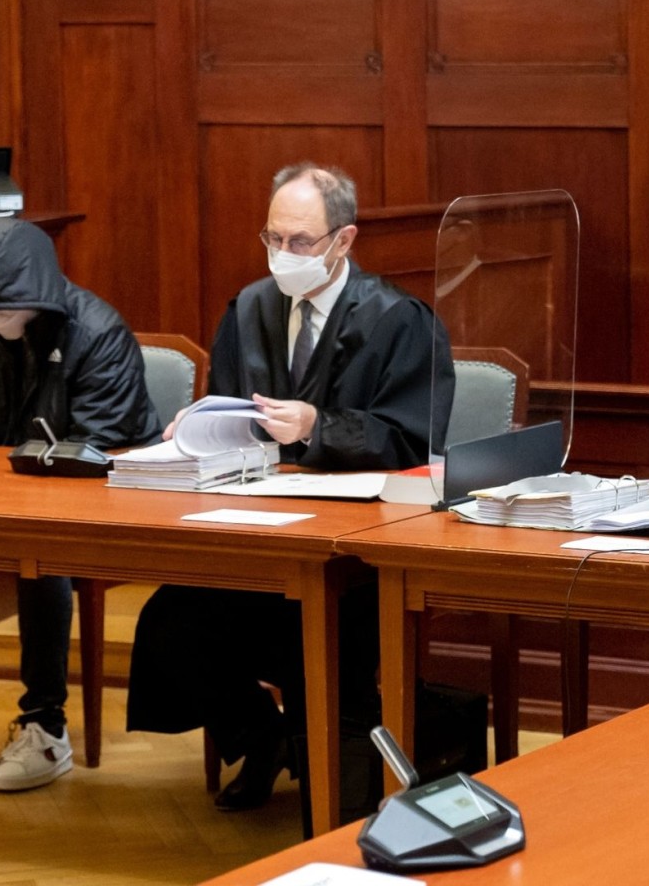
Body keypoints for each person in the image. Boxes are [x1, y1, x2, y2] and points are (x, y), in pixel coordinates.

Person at [126, 163, 455, 812]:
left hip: (356, 553)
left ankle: (333, 793)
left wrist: (318, 426)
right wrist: (197, 431)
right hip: (256, 533)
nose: (284, 255)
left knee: (320, 637)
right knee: (170, 622)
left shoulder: (398, 321)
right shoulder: (249, 309)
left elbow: (413, 438)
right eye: (273, 239)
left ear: (344, 240)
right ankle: (261, 737)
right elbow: (228, 409)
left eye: (300, 242)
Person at [0, 218, 160, 792]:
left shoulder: (98, 332)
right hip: (14, 494)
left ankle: (45, 727)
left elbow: (97, 449)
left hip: (105, 499)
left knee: (40, 561)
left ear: (37, 296)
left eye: (3, 308)